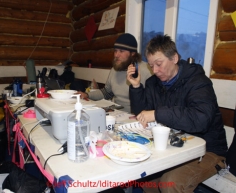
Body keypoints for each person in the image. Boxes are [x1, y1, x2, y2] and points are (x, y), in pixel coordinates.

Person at [127, 34, 228, 192]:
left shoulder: (198, 82)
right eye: (151, 65)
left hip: (208, 149)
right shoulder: (153, 83)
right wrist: (136, 86)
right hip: (175, 145)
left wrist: (157, 114)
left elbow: (200, 119)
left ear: (174, 58)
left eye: (159, 64)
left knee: (171, 182)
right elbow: (143, 114)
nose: (155, 70)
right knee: (145, 178)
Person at [77, 33, 152, 113]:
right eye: (115, 51)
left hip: (136, 116)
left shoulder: (146, 71)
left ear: (132, 53)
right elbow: (106, 92)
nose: (116, 55)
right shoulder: (115, 69)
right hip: (116, 113)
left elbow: (150, 102)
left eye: (121, 51)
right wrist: (87, 95)